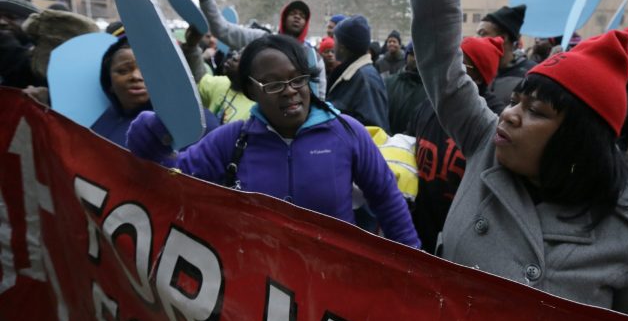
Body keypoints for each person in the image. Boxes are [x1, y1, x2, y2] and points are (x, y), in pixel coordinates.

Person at [409, 0, 628, 321]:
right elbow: (445, 74)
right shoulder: (486, 149)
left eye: (535, 111)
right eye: (516, 101)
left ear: (579, 137)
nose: (510, 117)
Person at [126, 34, 419, 247]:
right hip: (255, 293)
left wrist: (414, 272)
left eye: (297, 79)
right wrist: (151, 145)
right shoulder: (232, 139)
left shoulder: (347, 133)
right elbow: (172, 180)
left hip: (335, 293)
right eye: (273, 84)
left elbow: (387, 200)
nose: (290, 91)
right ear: (251, 91)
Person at [408, 35, 506, 253]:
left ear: (478, 77)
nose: (447, 69)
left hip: (462, 241)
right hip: (419, 231)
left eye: (459, 64)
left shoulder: (496, 120)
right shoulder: (427, 106)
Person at [185, 0, 326, 98]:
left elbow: (320, 96)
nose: (297, 17)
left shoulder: (313, 58)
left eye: (302, 16)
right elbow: (222, 29)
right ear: (283, 17)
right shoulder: (262, 40)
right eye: (293, 13)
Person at [92, 36, 220, 147]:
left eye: (147, 69)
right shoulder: (100, 121)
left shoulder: (196, 120)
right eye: (123, 70)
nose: (136, 76)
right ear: (109, 83)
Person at [327, 15, 390, 131]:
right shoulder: (351, 73)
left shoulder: (366, 79)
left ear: (342, 46)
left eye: (335, 40)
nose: (333, 45)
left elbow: (374, 132)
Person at [182, 27, 254, 124]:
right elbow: (198, 79)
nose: (235, 57)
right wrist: (192, 46)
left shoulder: (254, 111)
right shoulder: (222, 83)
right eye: (238, 52)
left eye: (244, 57)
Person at [476, 5, 536, 104]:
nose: (475, 39)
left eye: (482, 33)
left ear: (503, 38)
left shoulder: (531, 74)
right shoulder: (475, 71)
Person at [385, 42, 427, 134]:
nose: (416, 59)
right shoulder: (389, 82)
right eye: (412, 54)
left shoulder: (432, 90)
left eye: (420, 55)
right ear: (406, 56)